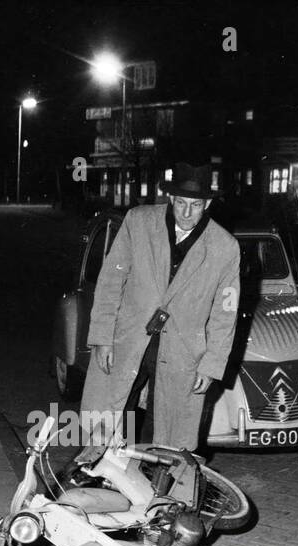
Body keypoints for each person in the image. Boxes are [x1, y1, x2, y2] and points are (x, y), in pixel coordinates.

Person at [80, 162, 241, 450]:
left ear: (207, 204)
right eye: (181, 203)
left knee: (165, 435)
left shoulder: (224, 247)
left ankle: (154, 489)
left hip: (182, 353)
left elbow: (224, 313)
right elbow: (110, 282)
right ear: (170, 199)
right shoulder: (138, 222)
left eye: (196, 205)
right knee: (108, 421)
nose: (187, 212)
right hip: (128, 340)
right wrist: (102, 338)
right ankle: (101, 481)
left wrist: (211, 365)